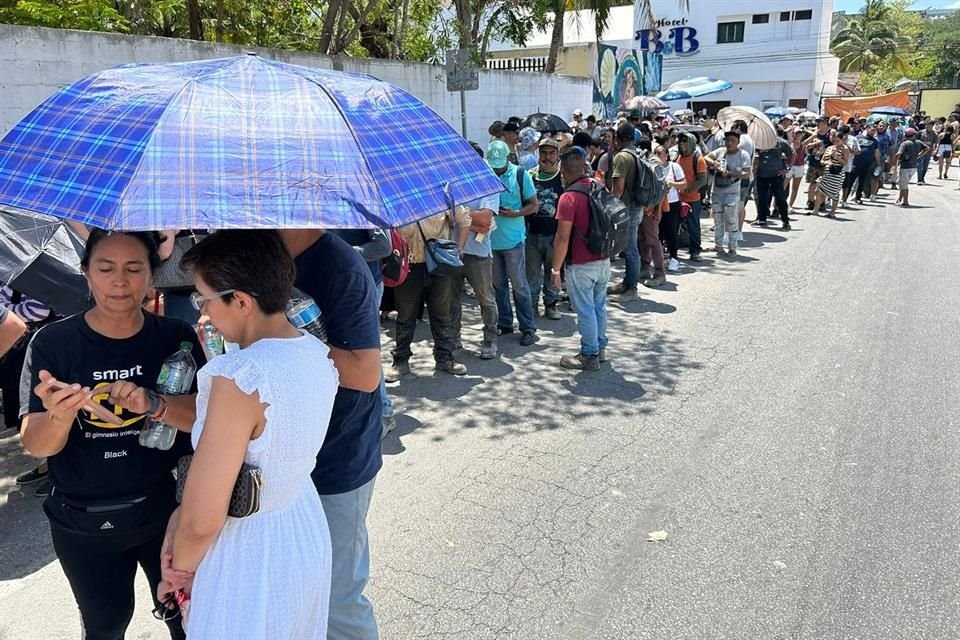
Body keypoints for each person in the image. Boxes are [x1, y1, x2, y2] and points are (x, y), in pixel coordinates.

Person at [144, 230, 334, 638]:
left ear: (242, 301)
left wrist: (179, 572)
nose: (204, 312)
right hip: (301, 529)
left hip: (248, 550)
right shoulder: (314, 352)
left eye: (205, 298)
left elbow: (201, 519)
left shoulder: (239, 378)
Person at [20, 229, 204, 640]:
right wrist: (61, 415)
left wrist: (154, 403)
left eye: (134, 268)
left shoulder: (176, 337)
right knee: (106, 625)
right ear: (85, 273)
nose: (119, 281)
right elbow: (36, 443)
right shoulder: (52, 342)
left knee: (191, 622)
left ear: (152, 275)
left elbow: (204, 419)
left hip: (167, 513)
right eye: (105, 268)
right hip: (82, 521)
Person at [281, 229, 383, 640]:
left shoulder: (341, 267)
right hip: (283, 458)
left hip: (338, 455)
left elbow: (363, 373)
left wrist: (284, 338)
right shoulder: (260, 254)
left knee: (337, 599)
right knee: (297, 592)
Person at [389, 207, 472, 378]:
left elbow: (464, 220)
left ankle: (445, 358)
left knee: (442, 314)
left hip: (438, 265)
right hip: (408, 266)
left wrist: (459, 250)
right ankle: (400, 361)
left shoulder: (440, 197)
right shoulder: (396, 201)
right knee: (405, 316)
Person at [329, 229, 395, 434]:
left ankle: (384, 413)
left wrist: (340, 253)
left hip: (364, 284)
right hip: (339, 284)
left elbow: (383, 246)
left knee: (364, 350)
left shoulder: (362, 201)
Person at [551, 147, 610, 371]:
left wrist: (555, 270)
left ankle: (589, 355)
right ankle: (600, 348)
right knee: (598, 308)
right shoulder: (599, 186)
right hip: (603, 259)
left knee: (585, 310)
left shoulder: (568, 198)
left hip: (581, 264)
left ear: (563, 170)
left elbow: (562, 238)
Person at [487, 140, 539, 346]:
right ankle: (505, 322)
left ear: (508, 158)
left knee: (519, 286)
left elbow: (534, 205)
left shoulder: (520, 175)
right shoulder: (487, 174)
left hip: (514, 241)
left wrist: (516, 213)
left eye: (499, 164)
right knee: (498, 286)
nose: (497, 168)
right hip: (491, 242)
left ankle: (528, 328)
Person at [453, 187, 500, 360]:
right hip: (453, 251)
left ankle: (490, 339)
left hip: (479, 253)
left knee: (486, 298)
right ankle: (453, 338)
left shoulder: (487, 186)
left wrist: (458, 216)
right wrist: (474, 223)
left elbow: (485, 218)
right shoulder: (450, 184)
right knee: (452, 299)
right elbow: (442, 216)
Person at [526, 137, 564, 320]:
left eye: (551, 153)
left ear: (557, 155)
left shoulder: (563, 178)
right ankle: (532, 307)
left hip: (555, 236)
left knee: (552, 272)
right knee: (531, 275)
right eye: (543, 153)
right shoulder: (530, 175)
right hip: (531, 235)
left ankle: (551, 305)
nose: (547, 157)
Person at [607, 123, 643, 303]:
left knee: (630, 249)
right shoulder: (636, 153)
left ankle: (632, 289)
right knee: (629, 247)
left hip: (627, 208)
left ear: (617, 138)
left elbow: (618, 189)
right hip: (636, 206)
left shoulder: (622, 157)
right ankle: (627, 282)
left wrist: (609, 208)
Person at [704, 131, 752, 255]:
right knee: (718, 220)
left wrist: (730, 174)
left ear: (738, 142)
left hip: (732, 192)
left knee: (731, 220)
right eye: (727, 140)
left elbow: (747, 174)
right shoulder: (720, 152)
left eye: (732, 141)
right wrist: (714, 163)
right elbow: (706, 157)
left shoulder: (743, 155)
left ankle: (732, 247)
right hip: (717, 191)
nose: (729, 143)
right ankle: (718, 245)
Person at [654, 145, 687, 273]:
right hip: (657, 203)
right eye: (655, 153)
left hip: (672, 203)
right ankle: (658, 258)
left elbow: (683, 184)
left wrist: (672, 184)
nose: (657, 156)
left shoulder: (674, 167)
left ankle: (674, 258)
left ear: (666, 155)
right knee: (657, 232)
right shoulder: (653, 168)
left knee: (671, 232)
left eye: (660, 153)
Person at [676, 132, 706, 262]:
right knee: (676, 226)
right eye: (680, 141)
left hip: (693, 199)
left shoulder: (698, 159)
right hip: (678, 198)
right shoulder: (678, 158)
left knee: (693, 226)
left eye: (685, 141)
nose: (682, 144)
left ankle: (695, 251)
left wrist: (688, 189)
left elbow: (702, 180)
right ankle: (673, 251)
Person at [754, 130, 793, 230]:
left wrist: (787, 169)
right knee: (762, 198)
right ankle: (762, 219)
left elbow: (792, 154)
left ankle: (785, 221)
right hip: (761, 174)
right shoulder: (759, 142)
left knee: (780, 198)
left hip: (776, 175)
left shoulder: (781, 142)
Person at [812, 131, 851, 218]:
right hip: (827, 172)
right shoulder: (829, 148)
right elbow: (822, 161)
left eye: (838, 141)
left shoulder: (845, 148)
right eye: (834, 141)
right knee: (819, 191)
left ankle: (832, 212)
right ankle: (816, 210)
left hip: (837, 173)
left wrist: (836, 157)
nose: (836, 143)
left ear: (842, 140)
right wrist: (827, 162)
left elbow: (845, 162)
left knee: (834, 193)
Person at [893, 127, 929, 208]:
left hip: (905, 167)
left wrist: (894, 162)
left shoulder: (904, 144)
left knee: (904, 185)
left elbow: (898, 154)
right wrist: (919, 156)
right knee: (903, 183)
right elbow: (927, 148)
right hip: (913, 167)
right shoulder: (918, 142)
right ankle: (900, 199)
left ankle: (905, 201)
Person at [851, 124, 882, 205]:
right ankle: (845, 197)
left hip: (867, 164)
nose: (873, 132)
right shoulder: (858, 138)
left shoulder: (875, 141)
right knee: (851, 180)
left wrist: (878, 164)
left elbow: (877, 153)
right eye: (871, 130)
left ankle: (858, 197)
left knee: (862, 181)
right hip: (856, 163)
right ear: (867, 129)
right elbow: (852, 148)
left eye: (874, 131)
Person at [837, 125, 861, 207]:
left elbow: (858, 152)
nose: (843, 136)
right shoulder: (836, 137)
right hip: (836, 164)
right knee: (835, 183)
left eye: (845, 134)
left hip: (847, 165)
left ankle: (844, 200)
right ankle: (830, 199)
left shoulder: (853, 139)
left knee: (845, 184)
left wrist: (850, 149)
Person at [786, 129, 807, 211]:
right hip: (789, 166)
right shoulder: (789, 144)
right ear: (793, 134)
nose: (798, 135)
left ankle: (790, 205)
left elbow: (815, 135)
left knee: (795, 188)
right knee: (783, 186)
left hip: (799, 167)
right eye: (796, 134)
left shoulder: (803, 144)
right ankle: (777, 204)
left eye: (800, 134)